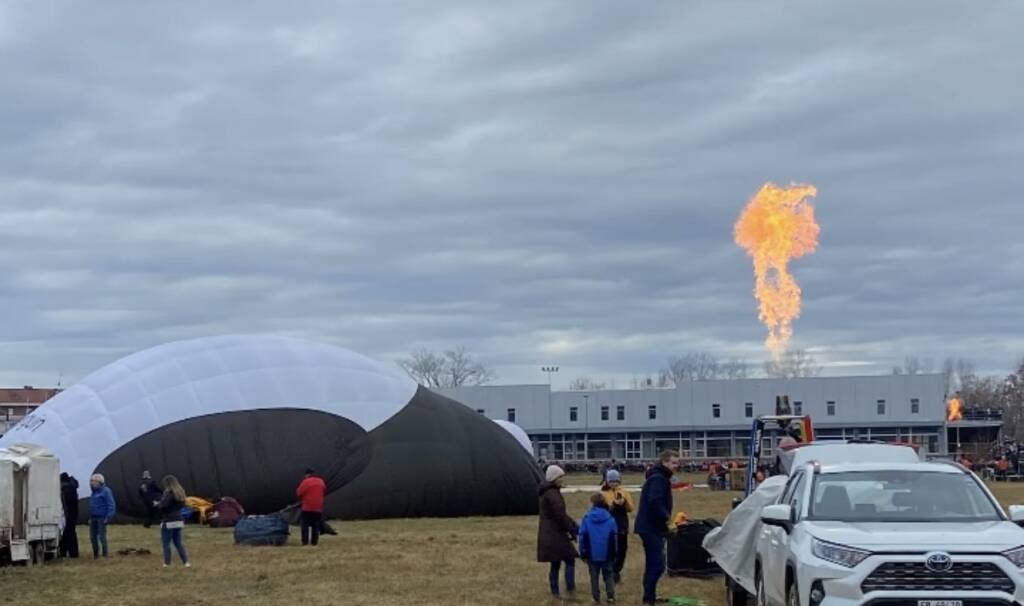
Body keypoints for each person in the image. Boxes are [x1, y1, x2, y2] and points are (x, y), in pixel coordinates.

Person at [635, 450, 680, 606]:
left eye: (677, 462)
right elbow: (655, 502)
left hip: (651, 527)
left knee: (652, 564)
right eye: (673, 462)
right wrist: (668, 520)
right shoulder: (658, 479)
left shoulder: (660, 477)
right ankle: (648, 598)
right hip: (650, 527)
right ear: (664, 462)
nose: (676, 466)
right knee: (657, 565)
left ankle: (649, 596)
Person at [538, 465, 578, 599]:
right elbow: (560, 516)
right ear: (554, 478)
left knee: (555, 563)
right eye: (560, 477)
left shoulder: (548, 492)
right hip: (555, 533)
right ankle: (570, 588)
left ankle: (555, 591)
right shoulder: (553, 494)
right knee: (570, 559)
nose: (562, 479)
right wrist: (573, 530)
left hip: (549, 533)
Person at [579, 494, 618, 605]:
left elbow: (582, 536)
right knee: (609, 575)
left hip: (591, 553)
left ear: (592, 503)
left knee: (594, 577)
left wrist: (582, 552)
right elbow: (615, 537)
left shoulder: (587, 518)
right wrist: (615, 552)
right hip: (607, 553)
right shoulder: (611, 519)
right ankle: (610, 596)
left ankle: (596, 598)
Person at [601, 469, 634, 583]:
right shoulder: (603, 493)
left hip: (622, 524)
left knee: (622, 549)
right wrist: (614, 504)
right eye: (611, 481)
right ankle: (608, 572)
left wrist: (624, 503)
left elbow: (630, 508)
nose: (614, 484)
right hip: (608, 525)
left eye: (616, 481)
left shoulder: (624, 492)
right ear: (607, 481)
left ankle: (617, 571)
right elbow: (602, 510)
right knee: (610, 550)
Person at [156, 475, 190, 568]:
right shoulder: (181, 493)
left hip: (168, 520)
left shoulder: (168, 493)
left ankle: (167, 563)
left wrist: (158, 504)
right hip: (179, 519)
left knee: (166, 543)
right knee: (178, 543)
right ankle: (186, 562)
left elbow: (163, 506)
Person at [296, 468, 327, 546]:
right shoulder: (321, 481)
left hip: (307, 507)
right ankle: (314, 542)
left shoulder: (305, 481)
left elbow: (298, 493)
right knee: (315, 525)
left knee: (304, 525)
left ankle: (305, 542)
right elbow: (324, 491)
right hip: (318, 507)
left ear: (307, 475)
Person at [88, 473, 116, 559]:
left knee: (101, 536)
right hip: (93, 517)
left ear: (99, 482)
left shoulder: (106, 491)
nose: (92, 483)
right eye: (91, 481)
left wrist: (108, 517)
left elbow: (111, 505)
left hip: (102, 517)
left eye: (94, 481)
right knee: (92, 537)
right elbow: (92, 505)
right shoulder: (94, 492)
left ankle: (105, 554)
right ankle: (95, 554)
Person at [59, 472, 80, 558]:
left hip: (69, 514)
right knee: (70, 533)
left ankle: (69, 552)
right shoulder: (72, 487)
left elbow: (66, 504)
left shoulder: (67, 490)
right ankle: (72, 553)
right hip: (73, 513)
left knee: (68, 533)